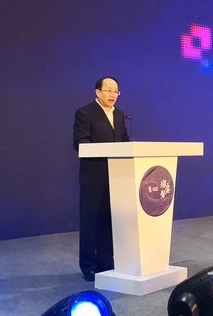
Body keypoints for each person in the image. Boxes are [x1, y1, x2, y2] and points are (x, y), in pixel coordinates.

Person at [73, 77, 129, 282]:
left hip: (116, 177)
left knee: (108, 221)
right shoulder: (84, 113)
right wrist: (108, 151)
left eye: (116, 91)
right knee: (90, 223)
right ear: (97, 92)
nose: (112, 95)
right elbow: (80, 143)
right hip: (93, 178)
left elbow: (124, 141)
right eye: (108, 90)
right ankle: (88, 265)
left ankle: (106, 260)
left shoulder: (120, 115)